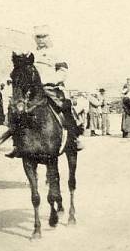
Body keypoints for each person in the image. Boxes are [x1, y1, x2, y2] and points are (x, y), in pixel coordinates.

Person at [6, 25, 83, 158]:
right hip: (31, 89)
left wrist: (51, 80)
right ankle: (17, 143)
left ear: (48, 37)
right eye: (38, 37)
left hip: (50, 87)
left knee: (64, 106)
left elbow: (62, 72)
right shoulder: (30, 54)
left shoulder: (57, 52)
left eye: (44, 37)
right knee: (14, 109)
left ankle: (74, 138)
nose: (41, 40)